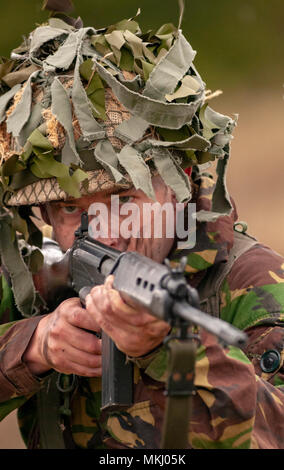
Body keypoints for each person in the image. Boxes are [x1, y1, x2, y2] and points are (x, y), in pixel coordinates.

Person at [0, 1, 283, 450]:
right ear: (45, 217)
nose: (107, 233)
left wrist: (172, 351)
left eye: (124, 199)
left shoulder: (257, 290)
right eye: (73, 210)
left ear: (181, 186)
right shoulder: (31, 279)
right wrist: (32, 347)